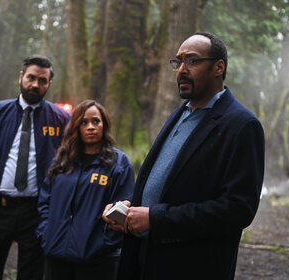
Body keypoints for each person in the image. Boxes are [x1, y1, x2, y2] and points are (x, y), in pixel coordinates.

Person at [103, 32, 265, 280]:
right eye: (177, 62)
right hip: (144, 258)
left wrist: (156, 220)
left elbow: (238, 209)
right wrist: (131, 208)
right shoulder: (180, 114)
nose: (181, 70)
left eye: (192, 61)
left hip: (191, 266)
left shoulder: (242, 125)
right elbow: (168, 182)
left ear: (218, 67)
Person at [0, 55, 71, 280]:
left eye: (42, 80)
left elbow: (70, 158)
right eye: (31, 77)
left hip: (36, 211)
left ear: (49, 84)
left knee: (31, 273)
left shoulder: (60, 119)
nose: (35, 84)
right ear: (21, 77)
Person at [37, 100, 135, 280]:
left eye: (95, 121)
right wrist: (46, 235)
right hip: (56, 257)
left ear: (104, 124)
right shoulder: (62, 162)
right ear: (76, 127)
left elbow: (124, 209)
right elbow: (45, 203)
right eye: (84, 122)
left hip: (97, 262)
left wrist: (103, 244)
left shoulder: (119, 164)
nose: (90, 127)